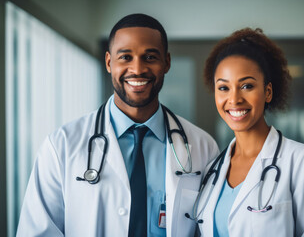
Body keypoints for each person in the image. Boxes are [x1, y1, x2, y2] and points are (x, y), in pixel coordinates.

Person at [16, 13, 219, 237]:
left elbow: (209, 229)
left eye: (150, 57)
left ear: (167, 63)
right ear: (109, 62)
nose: (138, 69)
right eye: (125, 57)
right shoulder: (61, 146)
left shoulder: (202, 147)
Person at [189, 28, 304, 236]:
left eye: (247, 86)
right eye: (224, 88)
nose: (234, 99)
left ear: (267, 92)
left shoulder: (302, 161)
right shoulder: (212, 170)